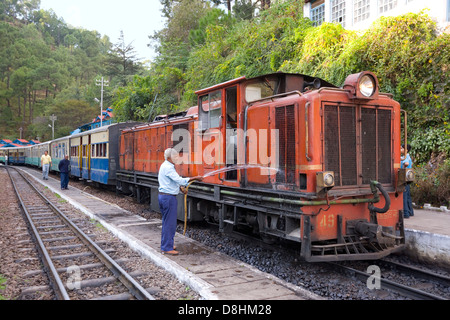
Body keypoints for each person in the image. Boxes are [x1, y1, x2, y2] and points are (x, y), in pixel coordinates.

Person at [158, 148, 203, 255]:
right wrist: (196, 178)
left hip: (165, 196)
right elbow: (180, 180)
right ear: (169, 157)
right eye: (175, 156)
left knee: (166, 222)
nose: (177, 158)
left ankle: (167, 243)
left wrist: (180, 188)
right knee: (170, 223)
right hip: (168, 198)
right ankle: (166, 247)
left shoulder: (166, 166)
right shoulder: (168, 167)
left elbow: (171, 182)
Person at [401, 144, 414, 218]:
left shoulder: (405, 157)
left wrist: (403, 165)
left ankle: (406, 213)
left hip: (404, 178)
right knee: (408, 196)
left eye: (401, 148)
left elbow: (406, 163)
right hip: (408, 179)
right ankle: (410, 211)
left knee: (404, 196)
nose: (400, 149)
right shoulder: (407, 157)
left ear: (406, 150)